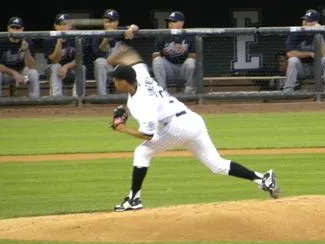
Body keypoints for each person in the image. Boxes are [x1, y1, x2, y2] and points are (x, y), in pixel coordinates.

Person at [107, 45, 280, 211]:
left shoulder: (142, 103)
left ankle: (133, 199)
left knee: (142, 152)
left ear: (124, 82)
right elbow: (131, 56)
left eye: (115, 79)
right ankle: (264, 179)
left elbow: (148, 135)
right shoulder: (140, 75)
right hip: (193, 120)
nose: (113, 81)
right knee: (217, 165)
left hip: (177, 127)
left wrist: (123, 128)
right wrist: (115, 57)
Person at [283, 9, 325, 93]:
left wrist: (318, 33)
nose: (304, 23)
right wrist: (309, 53)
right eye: (304, 20)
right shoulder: (296, 33)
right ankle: (288, 90)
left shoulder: (322, 33)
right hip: (302, 68)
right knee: (293, 60)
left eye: (308, 21)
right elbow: (290, 53)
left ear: (315, 23)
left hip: (317, 67)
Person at [92, 9, 139, 95]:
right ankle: (102, 95)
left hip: (123, 70)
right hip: (109, 71)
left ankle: (130, 94)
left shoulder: (122, 31)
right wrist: (106, 38)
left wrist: (131, 28)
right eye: (106, 22)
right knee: (99, 62)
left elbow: (136, 27)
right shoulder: (98, 34)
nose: (108, 24)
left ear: (117, 22)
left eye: (111, 21)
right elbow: (98, 53)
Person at [0, 17, 40, 98]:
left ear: (22, 29)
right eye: (12, 28)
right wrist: (14, 73)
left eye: (17, 28)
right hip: (5, 74)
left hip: (22, 73)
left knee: (33, 73)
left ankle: (34, 100)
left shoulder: (27, 41)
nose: (15, 30)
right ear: (8, 28)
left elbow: (32, 66)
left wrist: (26, 51)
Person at [152, 11, 196, 94]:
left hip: (184, 69)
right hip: (169, 69)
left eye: (173, 22)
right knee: (157, 61)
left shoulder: (189, 35)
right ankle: (163, 92)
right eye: (169, 21)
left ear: (181, 23)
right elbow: (154, 56)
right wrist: (163, 53)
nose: (170, 24)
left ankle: (190, 93)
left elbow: (196, 56)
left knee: (191, 62)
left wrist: (185, 52)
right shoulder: (163, 35)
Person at [43, 13, 86, 97]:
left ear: (69, 26)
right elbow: (54, 60)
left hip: (69, 70)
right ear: (55, 26)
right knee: (56, 66)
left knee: (82, 67)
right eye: (59, 24)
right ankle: (56, 97)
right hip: (52, 70)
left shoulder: (76, 38)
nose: (62, 27)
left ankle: (78, 97)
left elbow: (79, 59)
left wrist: (66, 66)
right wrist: (59, 43)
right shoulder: (48, 39)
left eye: (64, 24)